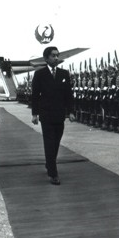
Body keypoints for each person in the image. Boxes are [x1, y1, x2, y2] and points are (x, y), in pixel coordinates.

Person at [32, 46, 75, 185]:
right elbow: (35, 95)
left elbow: (68, 94)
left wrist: (71, 111)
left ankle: (49, 163)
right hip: (46, 114)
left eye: (57, 55)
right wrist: (35, 114)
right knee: (49, 142)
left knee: (56, 142)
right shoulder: (40, 74)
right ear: (46, 58)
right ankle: (53, 173)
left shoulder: (64, 73)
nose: (56, 58)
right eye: (53, 56)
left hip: (59, 114)